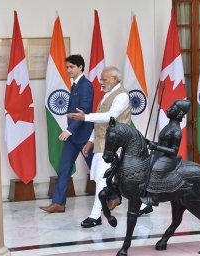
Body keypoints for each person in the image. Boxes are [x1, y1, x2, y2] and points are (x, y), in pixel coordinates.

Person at [67, 66, 131, 228]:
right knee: (101, 180)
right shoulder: (106, 96)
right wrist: (90, 140)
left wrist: (85, 117)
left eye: (104, 79)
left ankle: (96, 216)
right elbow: (100, 123)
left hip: (113, 146)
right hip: (102, 145)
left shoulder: (122, 95)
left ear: (115, 79)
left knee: (103, 180)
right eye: (101, 79)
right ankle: (143, 205)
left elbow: (111, 116)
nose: (100, 82)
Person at [39, 54, 94, 213]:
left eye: (71, 67)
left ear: (80, 67)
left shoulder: (86, 86)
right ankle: (58, 203)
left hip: (84, 136)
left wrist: (69, 130)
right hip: (73, 137)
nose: (68, 70)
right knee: (64, 168)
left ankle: (112, 197)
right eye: (67, 67)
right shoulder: (75, 85)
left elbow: (84, 112)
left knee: (95, 169)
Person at [140, 99, 191, 207]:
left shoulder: (176, 131)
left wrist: (156, 147)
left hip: (168, 158)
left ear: (179, 113)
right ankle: (144, 190)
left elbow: (174, 151)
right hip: (160, 155)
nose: (169, 109)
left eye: (173, 108)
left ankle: (155, 197)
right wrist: (151, 143)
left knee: (156, 168)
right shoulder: (168, 126)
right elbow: (163, 143)